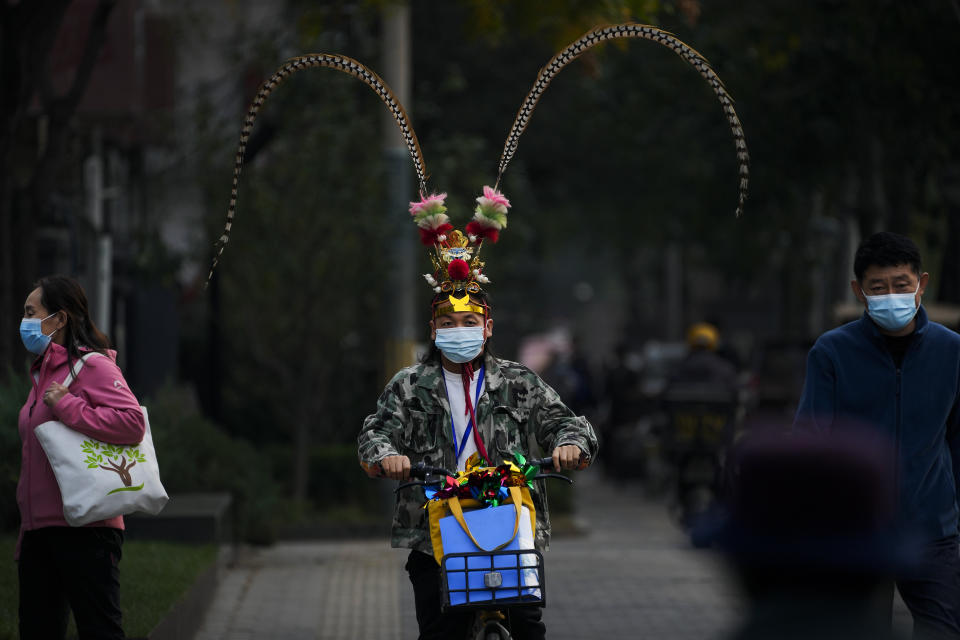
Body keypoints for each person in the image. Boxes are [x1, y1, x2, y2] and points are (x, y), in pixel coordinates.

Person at [358, 191, 598, 640]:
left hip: (507, 522)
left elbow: (568, 423)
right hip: (434, 532)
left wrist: (570, 445)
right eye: (448, 322)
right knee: (440, 631)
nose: (459, 331)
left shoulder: (518, 381)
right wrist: (386, 456)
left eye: (470, 323)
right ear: (434, 329)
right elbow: (375, 434)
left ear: (488, 327)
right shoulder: (410, 385)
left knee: (528, 629)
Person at [794, 231, 960, 638]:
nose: (891, 296)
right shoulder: (832, 352)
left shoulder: (952, 350)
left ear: (921, 283)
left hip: (933, 532)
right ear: (859, 291)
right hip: (857, 533)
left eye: (901, 285)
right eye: (878, 288)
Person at [16, 275, 145, 640]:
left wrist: (68, 406)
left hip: (87, 531)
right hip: (39, 534)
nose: (23, 322)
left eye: (30, 312)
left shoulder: (93, 367)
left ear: (59, 319)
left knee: (99, 630)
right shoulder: (42, 374)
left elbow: (132, 422)